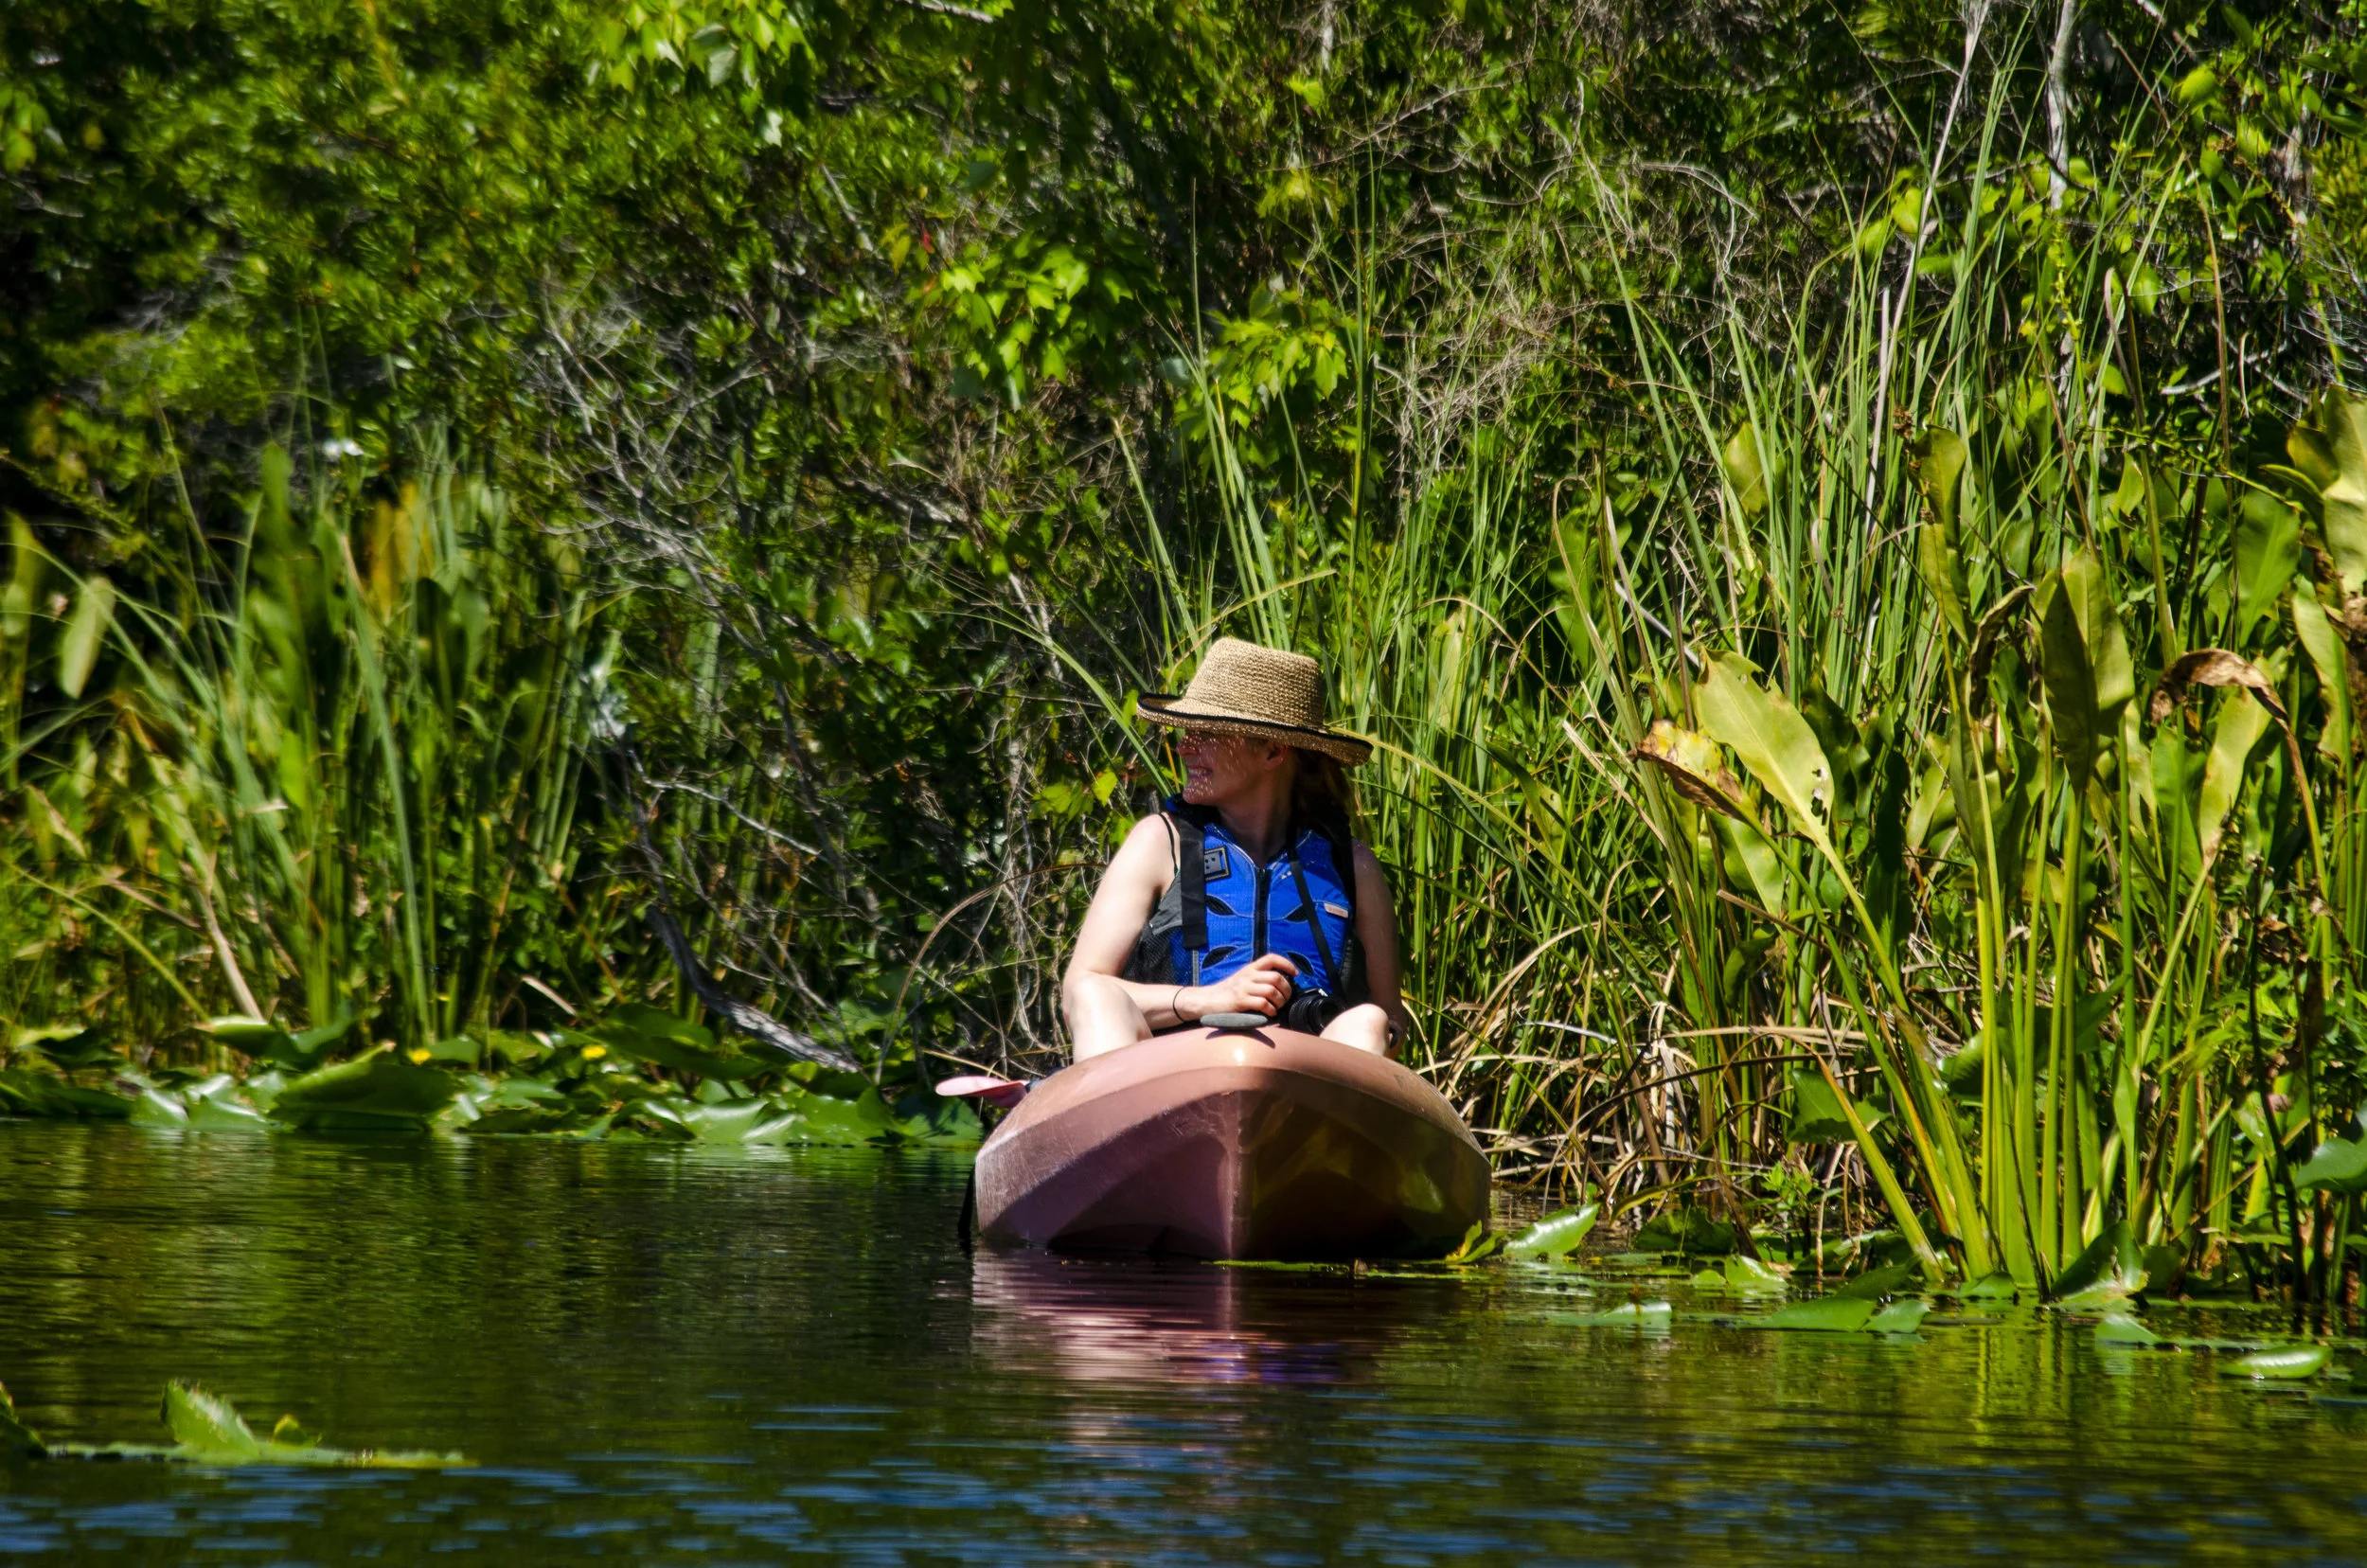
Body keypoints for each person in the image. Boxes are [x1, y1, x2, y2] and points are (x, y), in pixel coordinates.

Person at [1061, 637, 1406, 1060]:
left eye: (1207, 733)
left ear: (1273, 750)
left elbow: (1392, 1020)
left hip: (1303, 1086)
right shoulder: (1159, 842)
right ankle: (1119, 1126)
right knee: (1096, 995)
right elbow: (1078, 990)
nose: (1184, 746)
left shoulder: (1352, 866)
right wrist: (1206, 1000)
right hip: (1171, 1074)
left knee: (1369, 1020)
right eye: (1188, 731)